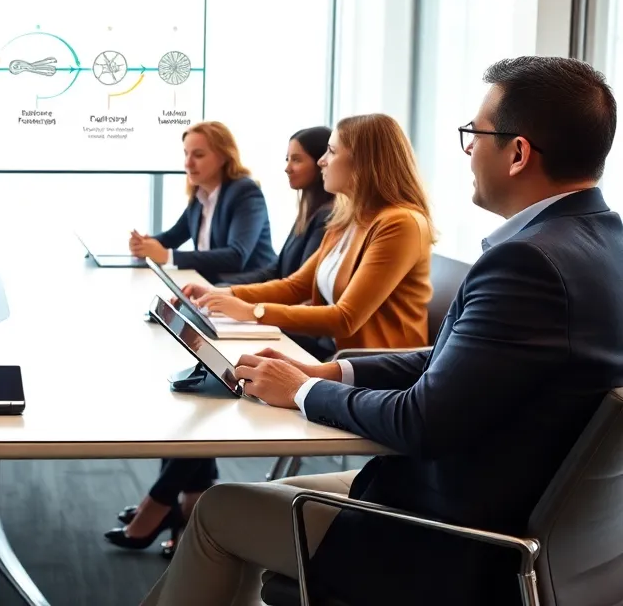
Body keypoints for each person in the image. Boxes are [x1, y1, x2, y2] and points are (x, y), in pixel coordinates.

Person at [142, 56, 623, 606]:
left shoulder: (528, 262)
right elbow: (454, 357)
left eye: (475, 135)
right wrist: (330, 371)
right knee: (234, 500)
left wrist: (301, 391)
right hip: (523, 516)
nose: (468, 151)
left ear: (517, 153)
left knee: (220, 510)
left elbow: (422, 421)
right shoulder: (602, 243)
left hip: (453, 534)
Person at [105, 126, 335, 557]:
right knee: (199, 383)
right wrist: (154, 248)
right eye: (186, 154)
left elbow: (253, 264)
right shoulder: (307, 211)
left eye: (299, 159)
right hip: (266, 311)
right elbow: (285, 277)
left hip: (305, 339)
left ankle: (158, 506)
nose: (188, 164)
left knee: (208, 390)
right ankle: (189, 505)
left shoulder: (258, 196)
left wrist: (235, 300)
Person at [185, 113, 434, 355]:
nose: (322, 161)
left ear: (364, 162)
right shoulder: (347, 218)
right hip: (335, 351)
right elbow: (296, 286)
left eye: (332, 152)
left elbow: (345, 318)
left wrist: (252, 311)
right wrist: (222, 294)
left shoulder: (401, 223)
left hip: (373, 364)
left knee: (242, 355)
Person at [128, 121, 276, 282]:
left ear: (223, 157)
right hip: (212, 287)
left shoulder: (245, 192)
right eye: (186, 154)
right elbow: (173, 237)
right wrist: (144, 245)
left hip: (251, 290)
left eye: (198, 155)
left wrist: (166, 256)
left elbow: (236, 257)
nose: (188, 163)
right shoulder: (200, 195)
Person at [218, 126, 335, 287]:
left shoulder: (326, 216)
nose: (287, 168)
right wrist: (222, 287)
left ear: (321, 162)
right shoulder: (308, 213)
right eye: (287, 159)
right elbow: (276, 271)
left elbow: (300, 286)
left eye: (296, 160)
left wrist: (229, 292)